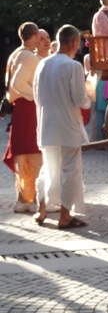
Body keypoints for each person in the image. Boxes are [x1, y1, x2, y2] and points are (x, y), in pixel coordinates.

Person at [33, 25, 91, 229]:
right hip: (67, 125)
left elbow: (36, 95)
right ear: (74, 42)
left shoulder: (42, 64)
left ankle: (41, 208)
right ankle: (65, 215)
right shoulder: (73, 66)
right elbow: (79, 98)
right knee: (69, 171)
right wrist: (88, 97)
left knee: (48, 168)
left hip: (46, 124)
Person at [3, 22, 43, 213]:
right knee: (33, 154)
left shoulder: (15, 54)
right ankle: (30, 199)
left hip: (20, 110)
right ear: (34, 36)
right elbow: (17, 83)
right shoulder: (29, 57)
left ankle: (23, 199)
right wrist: (37, 95)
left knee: (23, 155)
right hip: (28, 109)